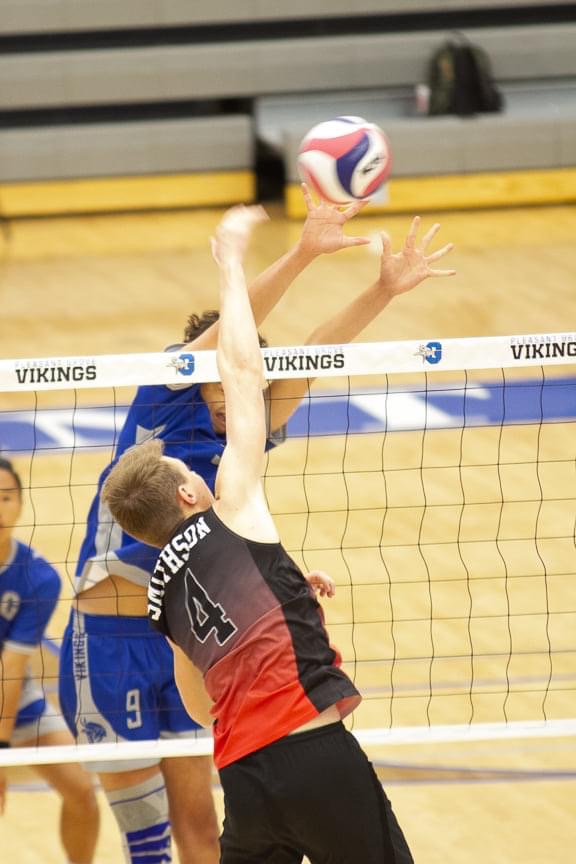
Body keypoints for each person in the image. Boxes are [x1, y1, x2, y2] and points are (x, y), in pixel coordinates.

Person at [59, 186, 454, 864]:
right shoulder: (164, 401)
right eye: (219, 386)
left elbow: (314, 351)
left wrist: (382, 291)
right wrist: (300, 253)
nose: (231, 400)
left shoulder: (246, 436)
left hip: (203, 649)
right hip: (114, 637)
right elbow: (233, 353)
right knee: (144, 838)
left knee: (199, 827)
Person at [0, 456, 99, 864]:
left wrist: (1, 751)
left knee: (82, 792)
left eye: (5, 497)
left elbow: (11, 669)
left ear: (21, 504)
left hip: (13, 700)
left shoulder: (38, 577)